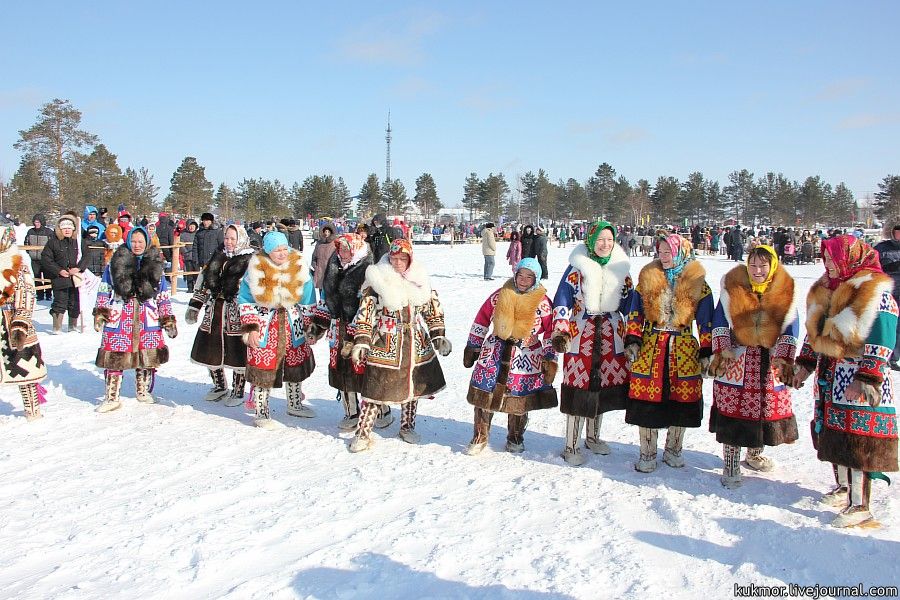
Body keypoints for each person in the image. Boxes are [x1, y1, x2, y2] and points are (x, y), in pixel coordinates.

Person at [793, 235, 897, 528]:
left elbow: (883, 337)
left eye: (833, 258)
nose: (828, 264)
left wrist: (866, 377)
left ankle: (861, 505)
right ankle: (843, 488)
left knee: (857, 443)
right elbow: (816, 335)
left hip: (858, 379)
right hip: (831, 377)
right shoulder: (828, 290)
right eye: (825, 258)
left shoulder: (873, 291)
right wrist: (804, 365)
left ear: (851, 258)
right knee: (834, 435)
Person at [708, 246, 800, 488]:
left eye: (763, 266)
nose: (757, 271)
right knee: (734, 410)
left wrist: (784, 357)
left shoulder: (783, 290)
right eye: (753, 265)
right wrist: (723, 350)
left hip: (769, 360)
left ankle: (754, 453)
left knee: (763, 409)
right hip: (738, 359)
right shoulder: (733, 288)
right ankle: (731, 461)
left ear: (772, 267)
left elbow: (791, 327)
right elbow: (719, 320)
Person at [348, 239, 450, 452]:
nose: (397, 262)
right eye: (394, 258)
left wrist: (438, 335)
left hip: (415, 340)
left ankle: (407, 426)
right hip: (386, 340)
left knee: (413, 385)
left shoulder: (420, 279)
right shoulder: (377, 279)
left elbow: (433, 310)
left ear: (410, 259)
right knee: (375, 386)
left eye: (402, 258)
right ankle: (363, 432)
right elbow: (366, 313)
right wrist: (362, 341)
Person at [624, 234, 714, 473]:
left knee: (680, 400)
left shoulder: (699, 285)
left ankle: (674, 448)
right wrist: (633, 338)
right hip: (651, 347)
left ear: (681, 252)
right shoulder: (647, 280)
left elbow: (706, 323)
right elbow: (635, 313)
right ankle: (647, 452)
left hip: (683, 349)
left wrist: (707, 350)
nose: (663, 257)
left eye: (668, 252)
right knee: (646, 401)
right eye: (661, 252)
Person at [551, 221, 633, 465]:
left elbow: (631, 304)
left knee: (602, 387)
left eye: (609, 240)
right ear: (590, 240)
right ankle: (571, 444)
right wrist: (561, 331)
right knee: (578, 387)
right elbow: (562, 300)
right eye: (600, 240)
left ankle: (593, 437)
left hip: (610, 334)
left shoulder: (621, 269)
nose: (605, 244)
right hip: (581, 333)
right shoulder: (576, 268)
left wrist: (633, 335)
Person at [463, 257, 557, 454]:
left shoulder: (544, 303)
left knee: (519, 398)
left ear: (536, 278)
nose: (523, 280)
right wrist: (474, 345)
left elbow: (550, 331)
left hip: (526, 356)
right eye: (520, 275)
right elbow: (482, 319)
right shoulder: (500, 295)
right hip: (495, 352)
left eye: (529, 277)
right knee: (484, 395)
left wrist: (549, 357)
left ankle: (515, 437)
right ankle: (480, 437)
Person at [309, 233, 391, 430]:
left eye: (347, 249)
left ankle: (381, 409)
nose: (342, 252)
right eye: (340, 248)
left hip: (364, 329)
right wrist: (317, 326)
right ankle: (351, 412)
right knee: (342, 370)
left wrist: (358, 328)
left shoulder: (369, 269)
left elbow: (373, 303)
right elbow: (327, 300)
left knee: (367, 370)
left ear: (356, 248)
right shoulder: (333, 265)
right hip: (339, 328)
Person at [237, 231, 317, 429]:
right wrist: (251, 328)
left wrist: (310, 326)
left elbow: (308, 298)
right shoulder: (256, 267)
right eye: (276, 250)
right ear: (267, 251)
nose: (282, 254)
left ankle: (295, 403)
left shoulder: (298, 265)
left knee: (295, 362)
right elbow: (245, 300)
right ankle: (261, 410)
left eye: (284, 249)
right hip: (266, 322)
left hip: (292, 321)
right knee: (263, 367)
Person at [93, 227, 177, 412]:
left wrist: (168, 318)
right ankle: (112, 397)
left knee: (147, 355)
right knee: (114, 355)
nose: (137, 245)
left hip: (147, 316)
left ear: (146, 242)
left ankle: (143, 391)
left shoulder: (156, 265)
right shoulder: (115, 263)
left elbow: (163, 294)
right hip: (121, 314)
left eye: (140, 241)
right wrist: (101, 312)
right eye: (134, 241)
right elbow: (104, 288)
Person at [186, 224, 255, 405]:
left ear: (240, 239)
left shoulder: (250, 260)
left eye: (233, 238)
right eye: (226, 238)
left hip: (237, 313)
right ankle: (219, 385)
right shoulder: (218, 257)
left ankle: (238, 390)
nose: (229, 242)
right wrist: (195, 306)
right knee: (209, 349)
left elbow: (255, 290)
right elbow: (203, 283)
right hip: (214, 311)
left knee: (237, 351)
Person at [0, 226, 48, 421]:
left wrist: (21, 320)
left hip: (13, 320)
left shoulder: (18, 264)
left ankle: (33, 408)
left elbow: (27, 293)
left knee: (25, 368)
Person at [41, 212, 82, 333]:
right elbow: (46, 259)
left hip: (75, 277)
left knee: (75, 302)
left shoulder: (78, 242)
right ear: (60, 229)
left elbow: (86, 256)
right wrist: (58, 270)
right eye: (64, 228)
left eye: (70, 228)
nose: (67, 230)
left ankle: (72, 326)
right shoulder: (52, 242)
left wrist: (79, 268)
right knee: (60, 301)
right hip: (59, 277)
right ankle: (57, 327)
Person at [874, 224, 900, 371]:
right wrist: (890, 267)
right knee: (888, 325)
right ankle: (884, 356)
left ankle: (894, 357)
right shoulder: (882, 248)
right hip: (887, 293)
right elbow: (872, 266)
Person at [24, 213, 54, 301]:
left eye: (38, 222)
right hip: (34, 259)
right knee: (37, 277)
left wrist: (49, 255)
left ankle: (48, 294)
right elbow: (26, 243)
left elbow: (53, 245)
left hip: (46, 259)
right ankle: (39, 294)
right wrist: (29, 252)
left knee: (47, 277)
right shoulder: (30, 231)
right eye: (35, 222)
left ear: (42, 222)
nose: (36, 224)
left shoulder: (48, 232)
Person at [311, 225, 336, 302]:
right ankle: (322, 305)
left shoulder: (334, 243)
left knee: (329, 289)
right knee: (321, 288)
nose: (326, 233)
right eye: (325, 231)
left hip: (330, 269)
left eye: (328, 232)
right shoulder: (319, 243)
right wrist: (314, 264)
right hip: (320, 269)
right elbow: (314, 255)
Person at [179, 220, 199, 292]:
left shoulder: (198, 233)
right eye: (190, 226)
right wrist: (185, 252)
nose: (191, 227)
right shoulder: (183, 234)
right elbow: (181, 244)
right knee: (189, 273)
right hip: (187, 256)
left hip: (196, 256)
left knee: (197, 272)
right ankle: (190, 288)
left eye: (193, 226)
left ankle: (197, 287)